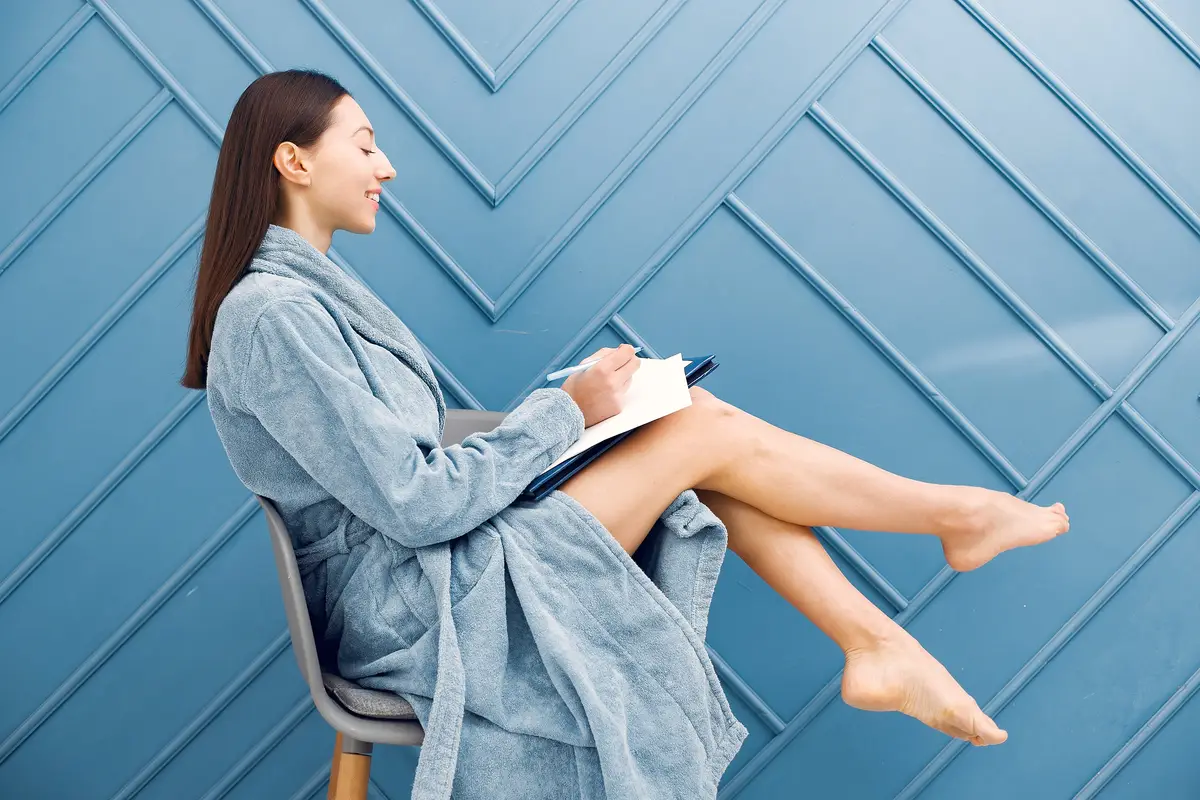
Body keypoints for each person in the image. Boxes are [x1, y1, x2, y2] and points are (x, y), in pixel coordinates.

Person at [182, 69, 1069, 799]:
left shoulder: (308, 300)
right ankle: (945, 537)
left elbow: (411, 480)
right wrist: (565, 409)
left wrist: (579, 416)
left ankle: (884, 636)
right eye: (366, 144)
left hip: (440, 567)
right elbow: (414, 503)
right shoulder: (272, 315)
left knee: (688, 431)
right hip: (413, 606)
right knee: (698, 429)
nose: (389, 166)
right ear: (293, 161)